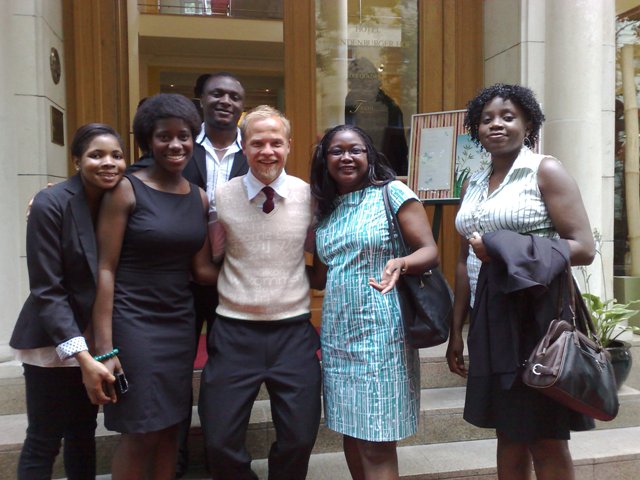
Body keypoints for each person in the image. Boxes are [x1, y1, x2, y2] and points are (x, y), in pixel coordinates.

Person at [446, 84, 596, 480]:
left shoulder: (545, 170)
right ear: (476, 129)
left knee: (545, 436)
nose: (496, 125)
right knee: (508, 431)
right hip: (489, 316)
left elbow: (583, 247)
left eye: (508, 117)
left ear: (528, 124)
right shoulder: (473, 181)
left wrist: (502, 246)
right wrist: (457, 329)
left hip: (535, 316)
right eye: (486, 119)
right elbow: (463, 260)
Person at [90, 93, 219, 479]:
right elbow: (105, 269)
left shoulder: (198, 197)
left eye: (184, 136)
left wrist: (262, 273)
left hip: (178, 323)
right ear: (148, 140)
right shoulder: (125, 190)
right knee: (141, 431)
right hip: (133, 323)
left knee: (170, 428)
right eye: (165, 136)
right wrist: (104, 349)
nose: (175, 144)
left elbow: (202, 270)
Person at [307, 124, 438, 480]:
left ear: (369, 155)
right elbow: (319, 277)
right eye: (336, 151)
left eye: (355, 150)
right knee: (351, 431)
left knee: (376, 440)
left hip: (382, 332)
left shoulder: (392, 193)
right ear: (325, 159)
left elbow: (429, 250)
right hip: (338, 335)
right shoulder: (326, 210)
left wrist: (402, 263)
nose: (346, 157)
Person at [198, 105, 321, 480]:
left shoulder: (309, 197)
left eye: (276, 143)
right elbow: (212, 256)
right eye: (257, 143)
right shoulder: (222, 196)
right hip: (235, 333)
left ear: (288, 146)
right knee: (219, 440)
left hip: (293, 333)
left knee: (300, 438)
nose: (267, 151)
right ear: (244, 146)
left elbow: (319, 255)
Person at [10, 123, 126, 478]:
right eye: (96, 155)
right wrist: (82, 356)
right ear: (76, 160)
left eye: (117, 155)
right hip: (53, 339)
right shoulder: (51, 202)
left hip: (93, 339)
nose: (108, 163)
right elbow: (47, 288)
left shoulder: (118, 199)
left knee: (83, 433)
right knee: (44, 438)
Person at [344, 57, 408, 176]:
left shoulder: (390, 107)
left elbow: (399, 150)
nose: (364, 86)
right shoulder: (349, 102)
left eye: (368, 80)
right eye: (359, 82)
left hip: (387, 172)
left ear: (376, 81)